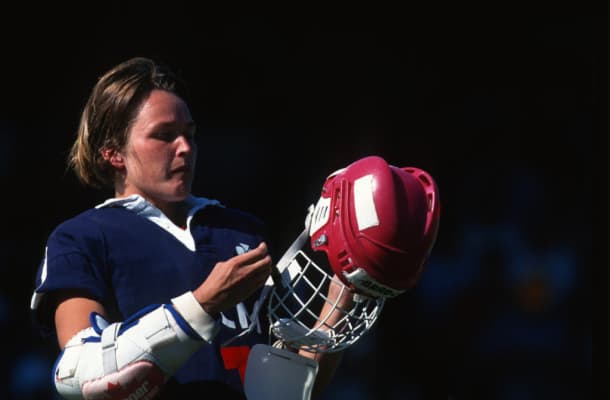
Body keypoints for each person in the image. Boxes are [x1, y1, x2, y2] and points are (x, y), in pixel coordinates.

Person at [30, 57, 347, 400]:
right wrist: (202, 304)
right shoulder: (80, 237)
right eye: (164, 135)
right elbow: (79, 373)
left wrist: (346, 295)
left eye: (190, 134)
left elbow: (291, 388)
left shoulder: (242, 231)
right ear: (113, 153)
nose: (185, 148)